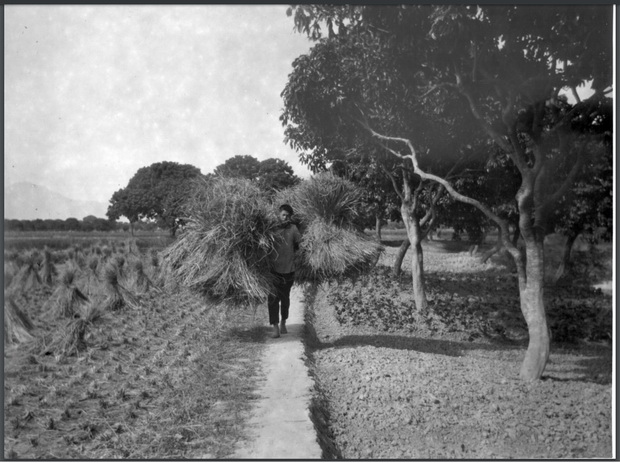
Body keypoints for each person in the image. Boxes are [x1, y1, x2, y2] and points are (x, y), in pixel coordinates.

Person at [267, 204, 301, 338]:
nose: (286, 218)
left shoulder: (293, 229)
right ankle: (275, 326)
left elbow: (300, 244)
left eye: (288, 215)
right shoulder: (272, 229)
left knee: (285, 298)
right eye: (283, 215)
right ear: (278, 215)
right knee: (272, 299)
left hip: (288, 270)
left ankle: (283, 322)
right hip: (273, 270)